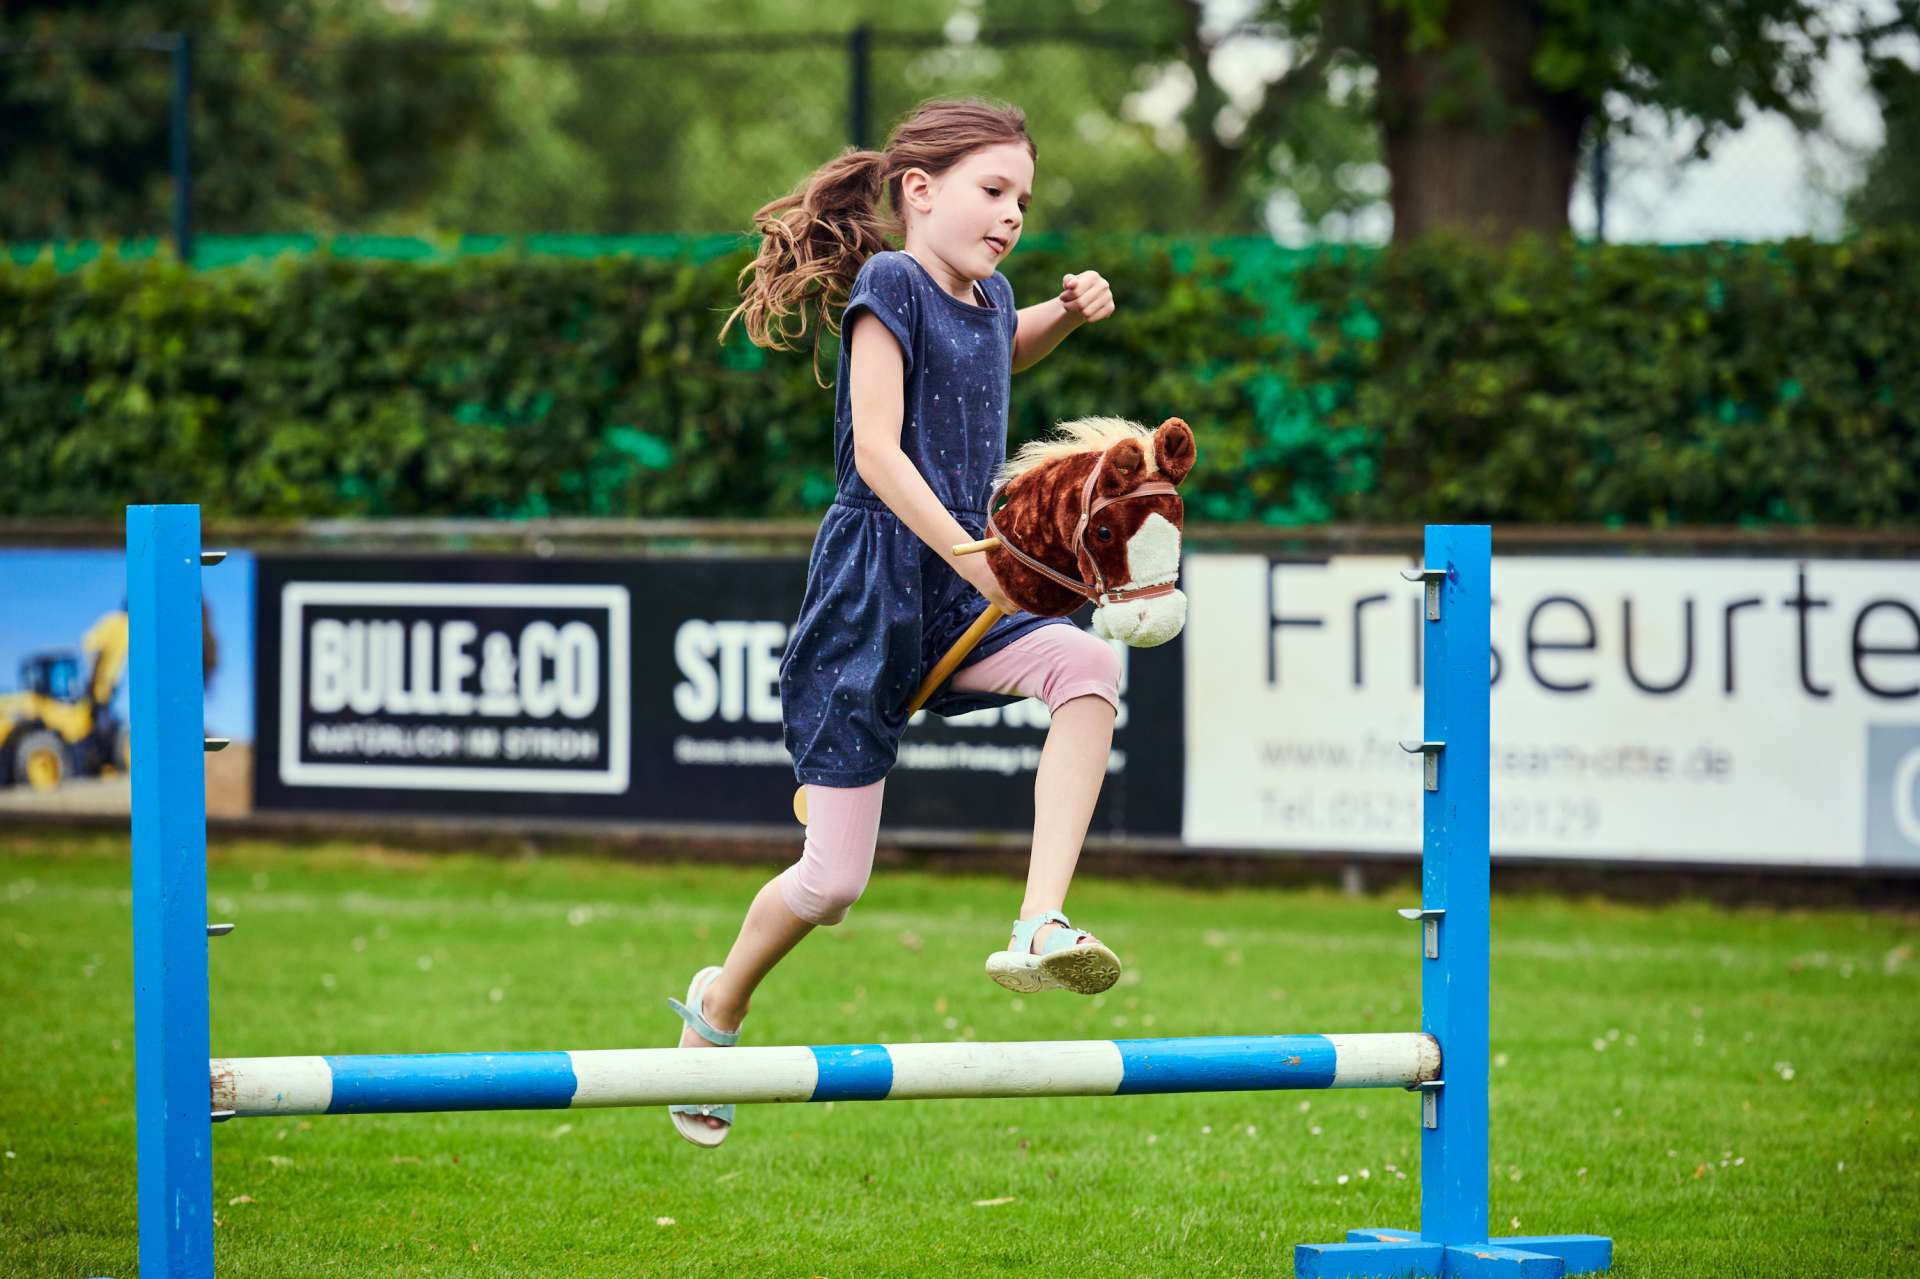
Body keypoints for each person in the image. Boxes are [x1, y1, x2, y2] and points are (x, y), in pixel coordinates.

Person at [670, 99, 1120, 1147]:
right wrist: (971, 548)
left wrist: (1061, 316)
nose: (1012, 216)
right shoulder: (889, 287)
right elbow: (878, 450)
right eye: (993, 191)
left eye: (1024, 200)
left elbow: (996, 349)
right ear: (920, 192)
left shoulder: (991, 295)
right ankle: (718, 1004)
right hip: (873, 595)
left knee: (1089, 666)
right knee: (833, 882)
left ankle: (1038, 921)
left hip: (964, 597)